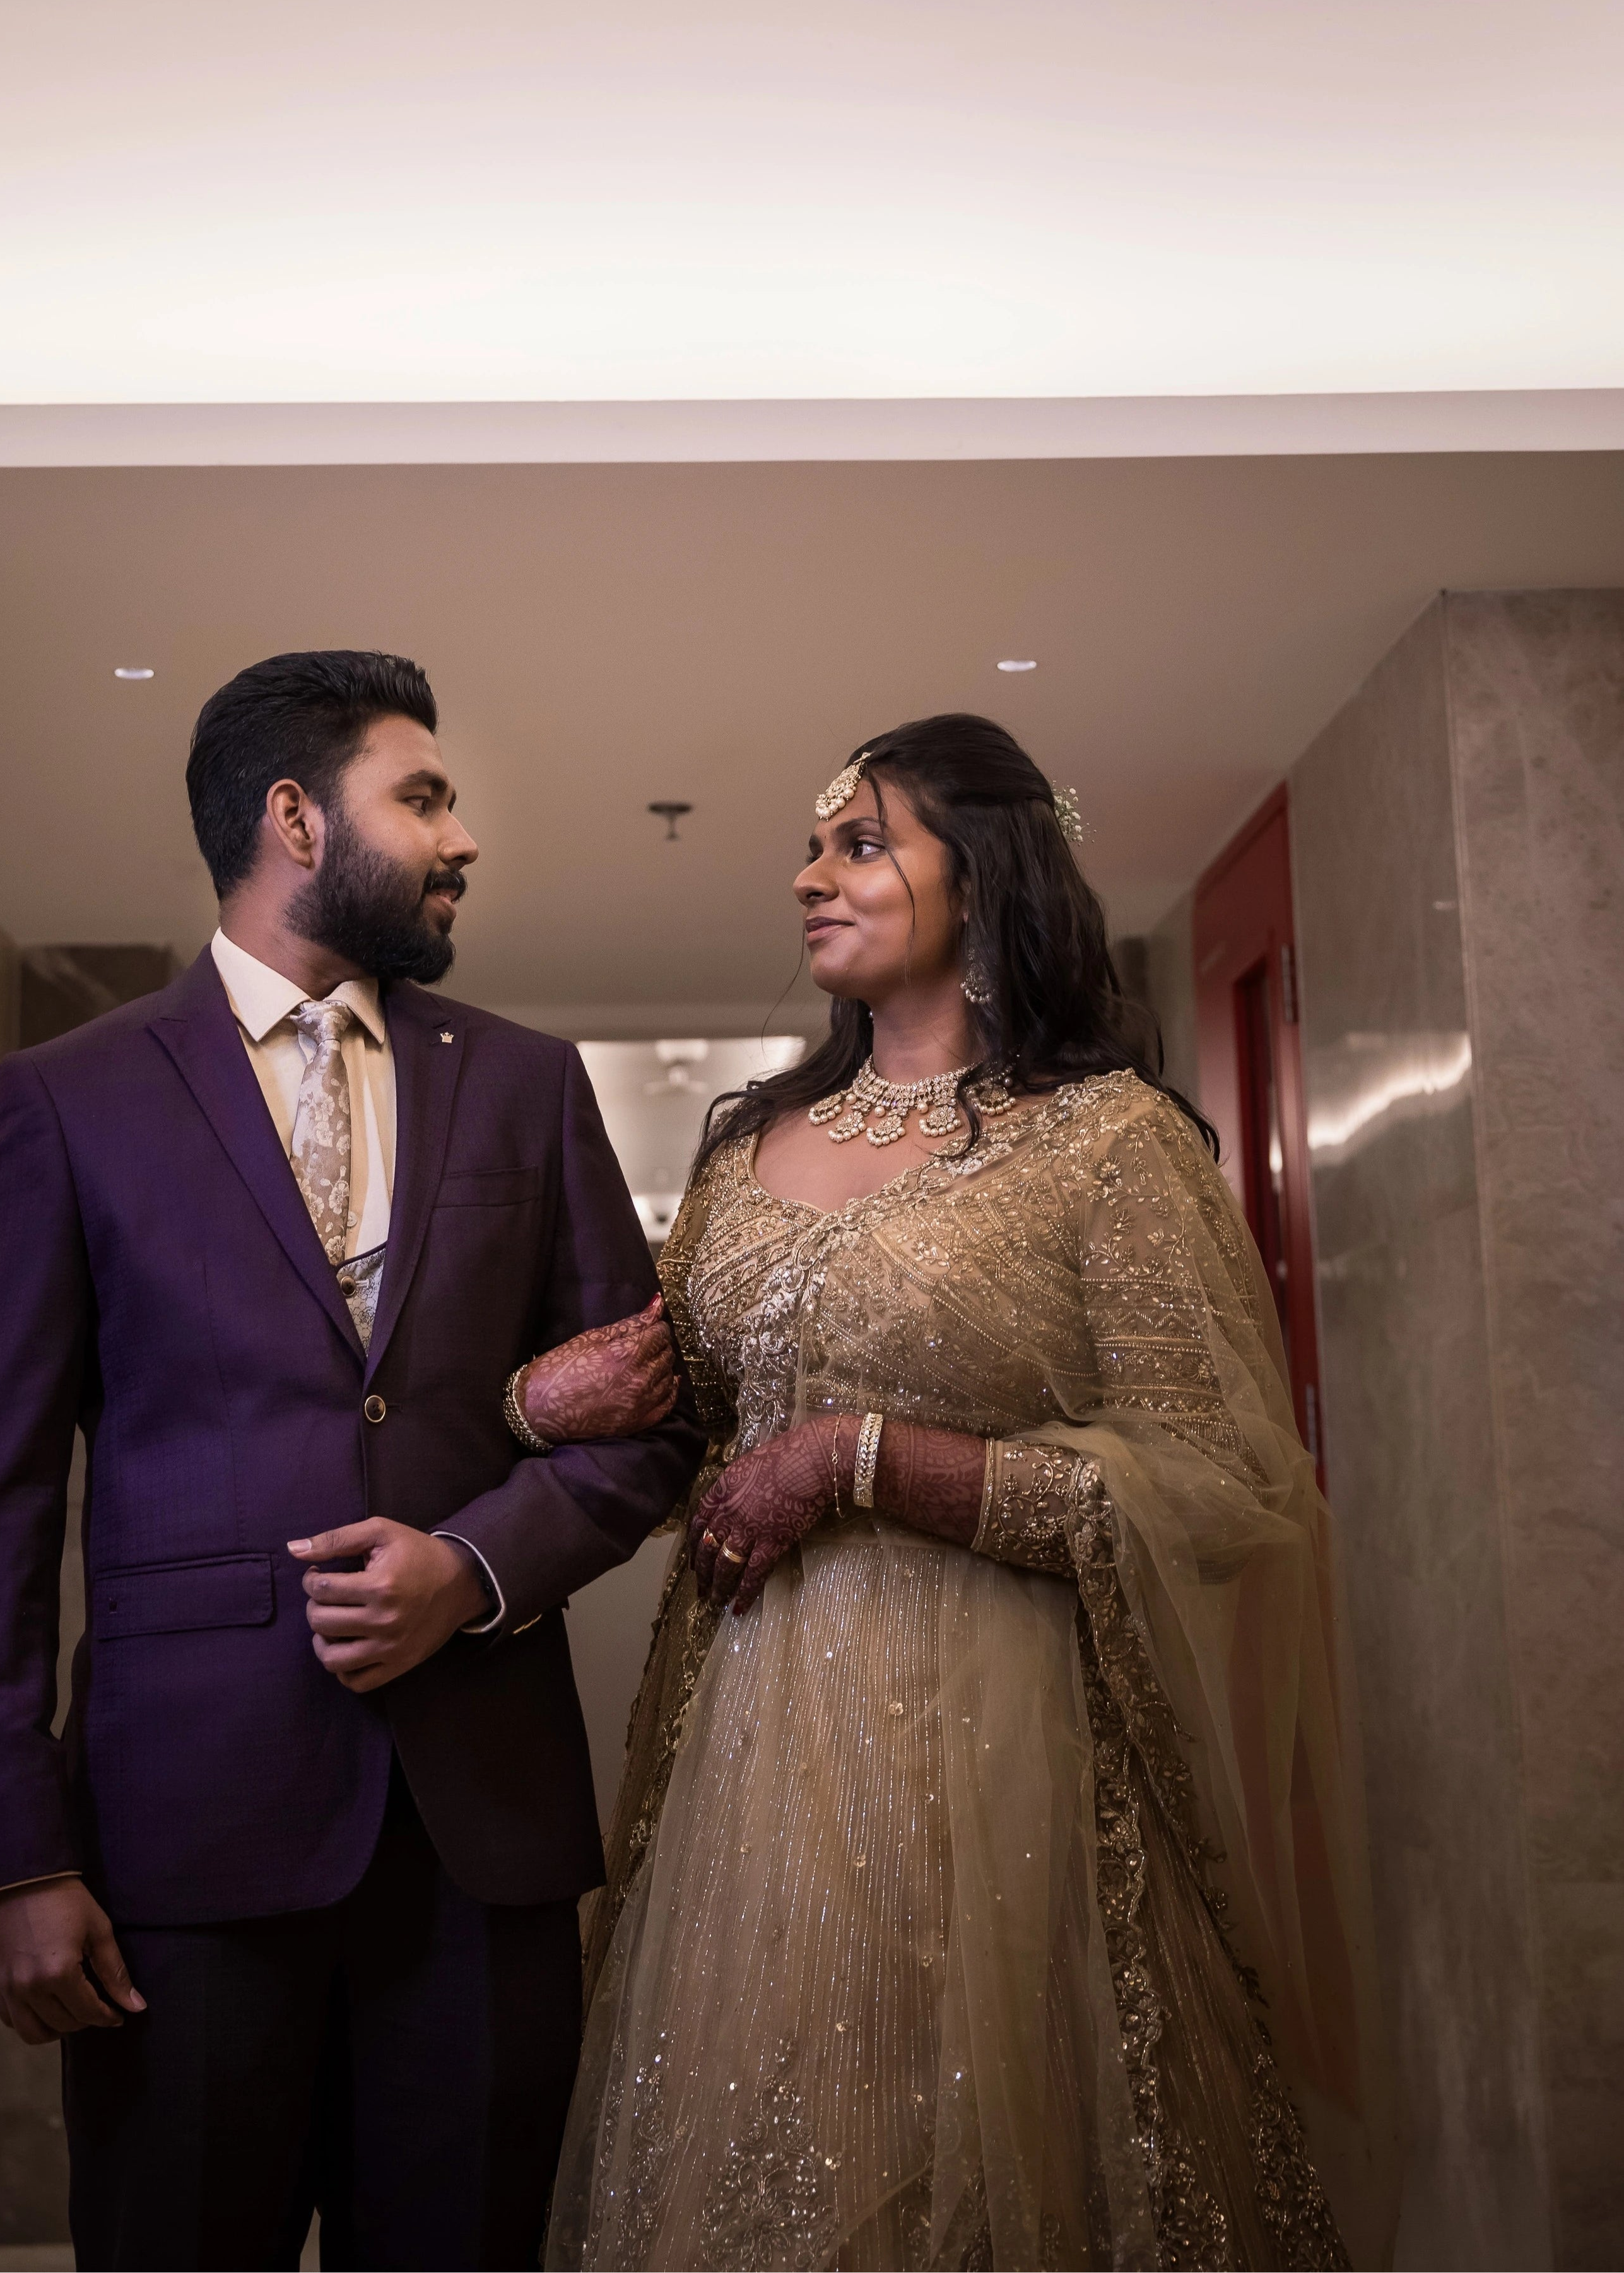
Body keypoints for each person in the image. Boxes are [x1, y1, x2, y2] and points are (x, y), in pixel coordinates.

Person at [527, 714, 1394, 2273]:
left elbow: (1220, 1480)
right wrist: (534, 1402)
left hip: (1008, 1759)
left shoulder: (1109, 1143)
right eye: (814, 845)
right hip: (745, 1759)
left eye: (860, 842)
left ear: (983, 881)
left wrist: (871, 1458)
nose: (810, 875)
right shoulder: (743, 1151)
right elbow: (684, 1446)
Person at [0, 649, 698, 2273]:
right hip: (173, 1855)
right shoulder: (68, 1101)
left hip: (479, 1842)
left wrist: (476, 1566)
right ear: (293, 816)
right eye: (421, 795)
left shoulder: (531, 1085)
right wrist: (16, 1853)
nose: (461, 834)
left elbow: (654, 1421)